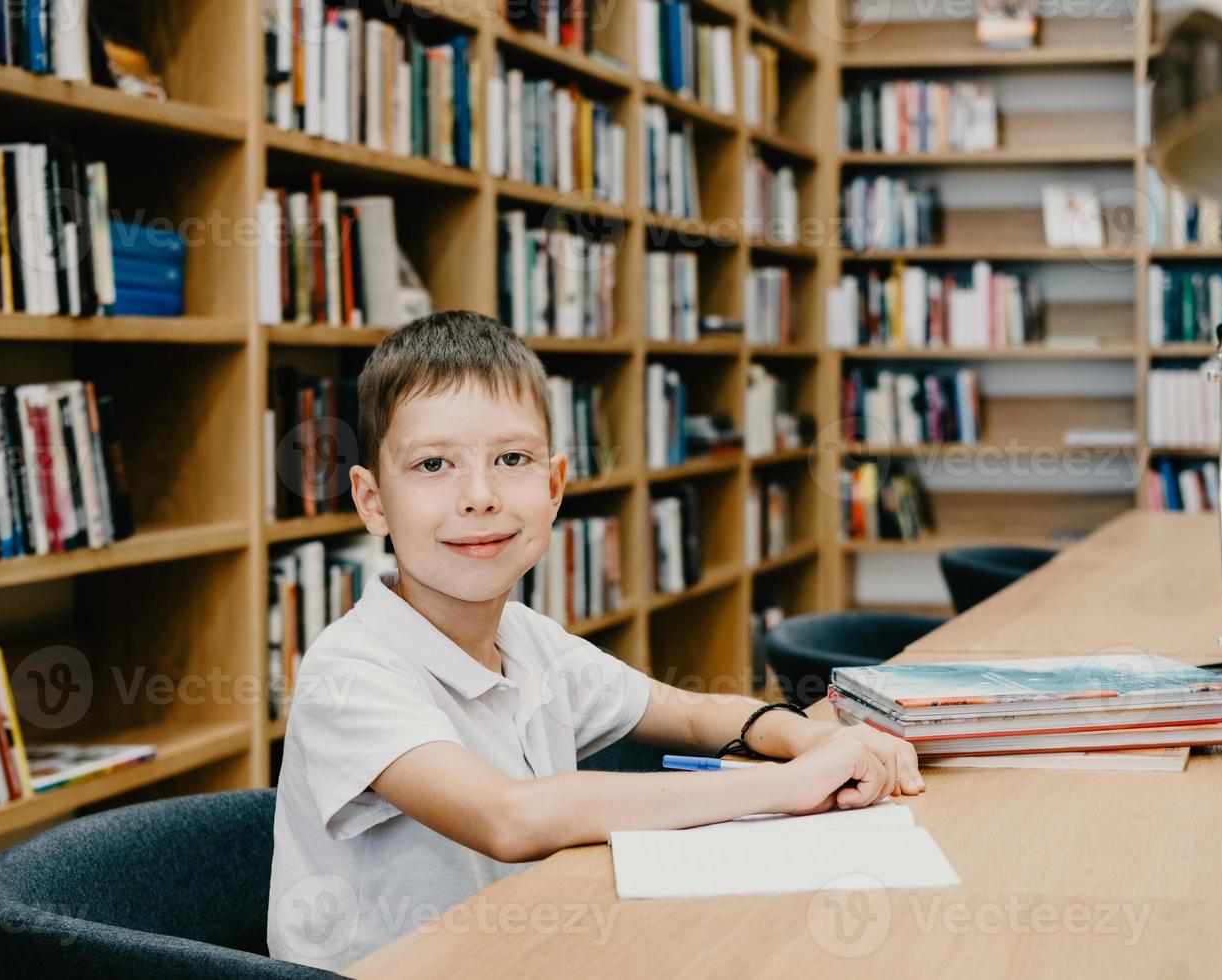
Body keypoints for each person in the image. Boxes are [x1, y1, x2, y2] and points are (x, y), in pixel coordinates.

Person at [268, 311, 924, 969]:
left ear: (554, 487)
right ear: (372, 499)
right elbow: (511, 818)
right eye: (433, 463)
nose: (478, 495)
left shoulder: (527, 639)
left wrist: (818, 739)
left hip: (526, 955)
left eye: (511, 459)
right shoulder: (349, 669)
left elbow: (692, 713)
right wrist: (788, 786)